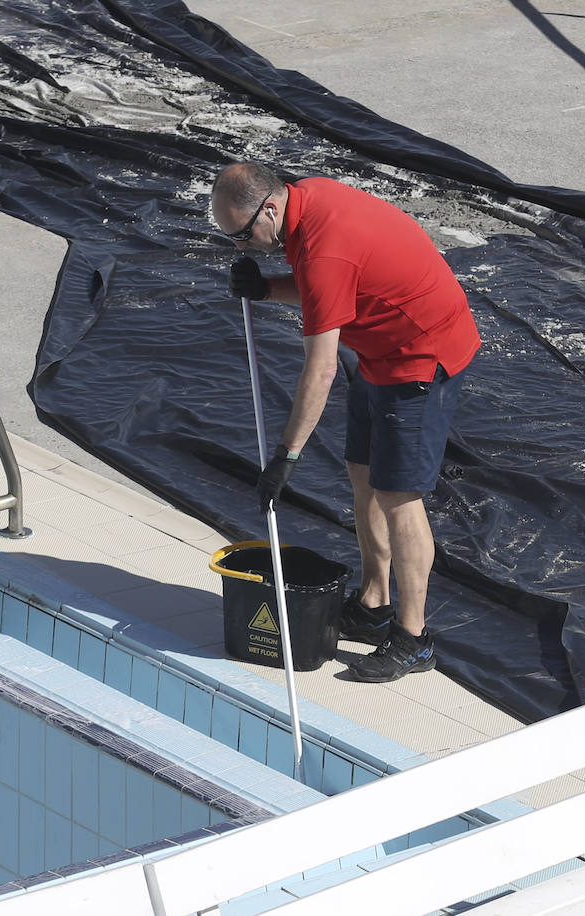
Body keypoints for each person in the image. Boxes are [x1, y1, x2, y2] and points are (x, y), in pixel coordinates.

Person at [210, 161, 480, 683]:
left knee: (400, 495)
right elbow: (328, 288)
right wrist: (267, 289)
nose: (242, 246)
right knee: (363, 474)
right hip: (379, 350)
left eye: (243, 236)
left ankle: (413, 638)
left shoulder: (324, 244)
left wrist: (286, 456)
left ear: (270, 207)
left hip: (421, 357)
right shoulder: (303, 204)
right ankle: (375, 603)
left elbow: (321, 366)